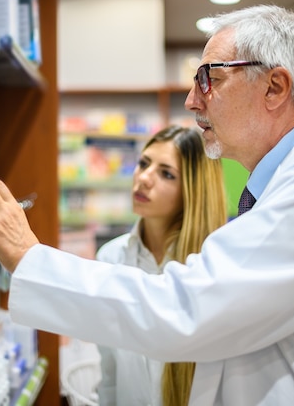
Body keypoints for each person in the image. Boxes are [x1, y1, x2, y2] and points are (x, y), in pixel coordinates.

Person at [0, 4, 294, 405]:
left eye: (209, 78)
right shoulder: (286, 191)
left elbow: (187, 309)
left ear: (274, 87)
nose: (192, 100)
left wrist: (28, 257)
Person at [94, 126, 227, 406]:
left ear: (193, 190)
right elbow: (110, 371)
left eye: (166, 173)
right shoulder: (111, 259)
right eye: (144, 163)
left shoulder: (211, 265)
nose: (143, 178)